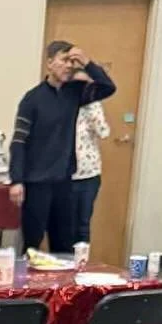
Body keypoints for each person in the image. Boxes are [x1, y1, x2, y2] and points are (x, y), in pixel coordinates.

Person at [8, 41, 116, 254]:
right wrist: (16, 180)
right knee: (32, 243)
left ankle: (63, 277)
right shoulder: (32, 99)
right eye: (64, 60)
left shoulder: (75, 92)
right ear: (50, 63)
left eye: (72, 62)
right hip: (37, 181)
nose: (69, 66)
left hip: (66, 181)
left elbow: (108, 87)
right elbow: (19, 141)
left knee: (65, 244)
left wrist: (87, 62)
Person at [72, 100, 109, 245]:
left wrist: (92, 112)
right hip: (64, 176)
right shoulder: (63, 103)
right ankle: (63, 258)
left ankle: (81, 258)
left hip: (89, 175)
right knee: (63, 224)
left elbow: (103, 132)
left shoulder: (94, 106)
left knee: (83, 224)